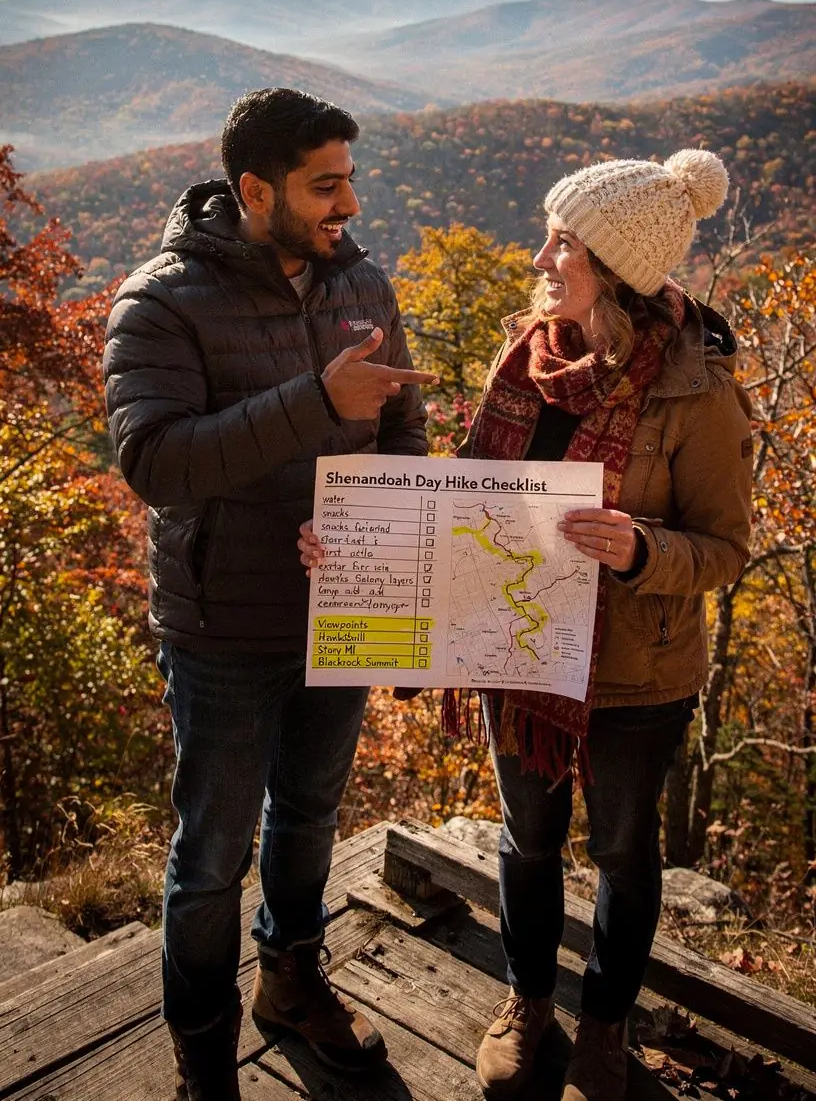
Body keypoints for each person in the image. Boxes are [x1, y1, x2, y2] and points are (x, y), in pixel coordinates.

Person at [299, 146, 753, 1101]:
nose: (539, 259)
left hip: (634, 674)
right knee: (528, 838)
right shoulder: (524, 361)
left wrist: (639, 549)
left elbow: (723, 551)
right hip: (519, 650)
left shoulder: (697, 391)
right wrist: (360, 542)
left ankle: (605, 1029)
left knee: (623, 854)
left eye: (562, 245)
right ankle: (529, 1001)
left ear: (616, 271)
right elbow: (466, 501)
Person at [103, 87, 435, 1101]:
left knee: (310, 815)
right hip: (225, 628)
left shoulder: (363, 286)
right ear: (256, 190)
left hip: (345, 613)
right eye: (326, 186)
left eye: (350, 180)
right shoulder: (159, 302)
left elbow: (404, 433)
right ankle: (204, 1056)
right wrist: (315, 400)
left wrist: (384, 544)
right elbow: (155, 462)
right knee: (212, 855)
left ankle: (291, 984)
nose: (351, 205)